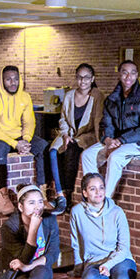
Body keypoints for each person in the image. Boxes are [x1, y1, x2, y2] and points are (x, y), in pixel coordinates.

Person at [81, 60, 140, 199]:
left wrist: (121, 140)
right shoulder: (112, 99)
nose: (128, 77)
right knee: (87, 155)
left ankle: (105, 201)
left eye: (132, 73)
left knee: (115, 157)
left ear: (137, 75)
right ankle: (93, 196)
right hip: (119, 141)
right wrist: (107, 139)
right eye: (124, 73)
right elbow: (106, 123)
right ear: (119, 75)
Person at [0, 65, 49, 214]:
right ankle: (3, 196)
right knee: (1, 149)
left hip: (19, 137)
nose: (13, 82)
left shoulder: (25, 97)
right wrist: (15, 143)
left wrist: (25, 140)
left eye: (16, 78)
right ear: (1, 81)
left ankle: (42, 193)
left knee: (43, 146)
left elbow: (29, 122)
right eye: (8, 79)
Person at [69, 173, 137, 279]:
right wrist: (77, 269)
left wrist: (108, 265)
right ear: (85, 192)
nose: (98, 192)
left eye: (101, 188)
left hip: (120, 259)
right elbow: (76, 243)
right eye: (93, 189)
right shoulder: (77, 212)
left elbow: (124, 248)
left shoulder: (117, 212)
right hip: (94, 261)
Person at [47, 63, 103, 213]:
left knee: (71, 151)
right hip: (69, 132)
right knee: (53, 152)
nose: (82, 81)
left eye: (86, 78)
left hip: (87, 135)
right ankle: (60, 195)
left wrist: (100, 143)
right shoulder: (69, 95)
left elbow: (98, 120)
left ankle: (69, 194)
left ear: (92, 79)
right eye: (79, 77)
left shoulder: (97, 96)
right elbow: (63, 119)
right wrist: (65, 135)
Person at [0, 184, 60, 279]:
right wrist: (33, 230)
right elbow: (23, 259)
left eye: (40, 202)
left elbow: (53, 253)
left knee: (43, 271)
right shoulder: (9, 227)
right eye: (31, 203)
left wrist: (28, 266)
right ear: (20, 207)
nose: (37, 207)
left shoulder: (50, 221)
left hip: (39, 270)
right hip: (16, 275)